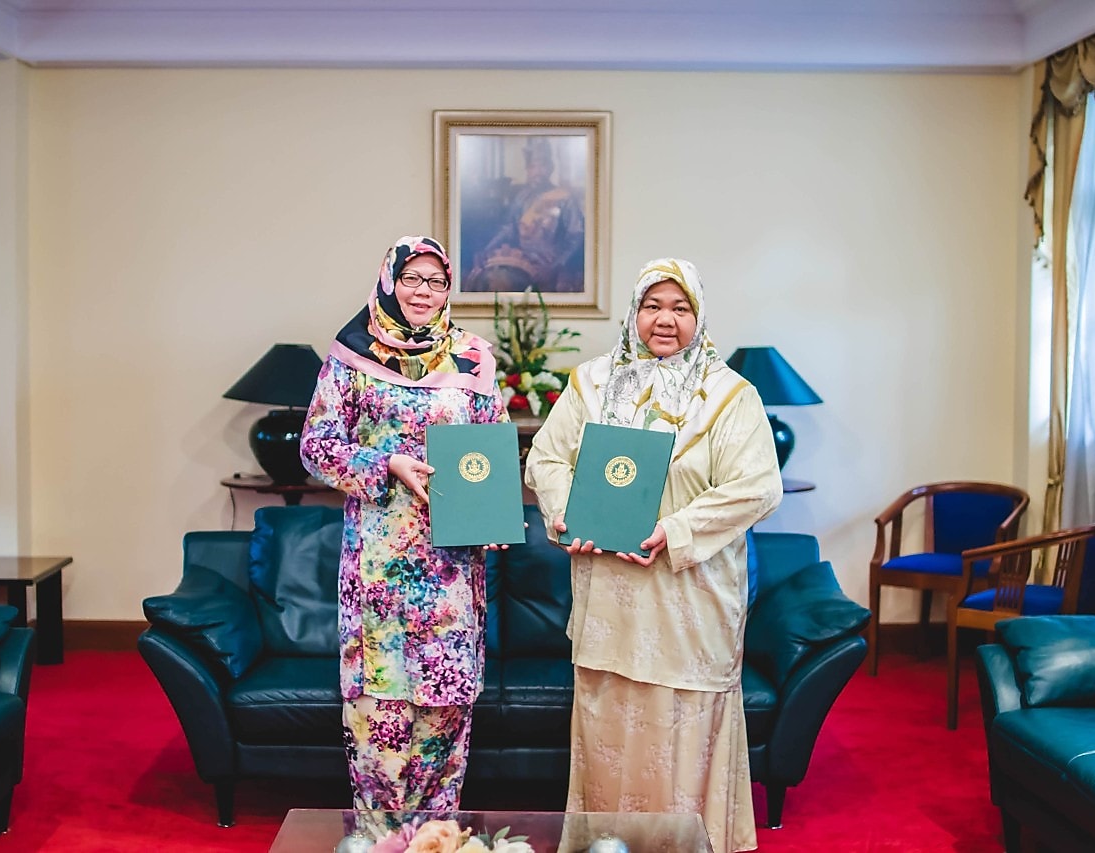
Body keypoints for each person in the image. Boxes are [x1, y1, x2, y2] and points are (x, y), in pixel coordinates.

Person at [524, 257, 783, 853]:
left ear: (699, 315)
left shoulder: (730, 395)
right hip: (609, 606)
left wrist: (675, 530)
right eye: (652, 306)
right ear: (634, 312)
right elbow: (545, 459)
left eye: (680, 307)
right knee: (609, 738)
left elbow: (757, 487)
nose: (665, 320)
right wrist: (566, 513)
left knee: (683, 741)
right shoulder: (591, 383)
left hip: (689, 606)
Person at [299, 235, 509, 813]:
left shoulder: (473, 357)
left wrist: (494, 510)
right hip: (379, 566)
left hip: (451, 570)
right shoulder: (351, 356)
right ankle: (382, 840)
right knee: (380, 717)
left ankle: (436, 837)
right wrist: (385, 463)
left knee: (446, 709)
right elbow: (316, 445)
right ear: (389, 282)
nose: (423, 291)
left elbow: (492, 446)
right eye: (411, 278)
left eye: (435, 281)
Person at [465, 137, 586, 294]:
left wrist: (556, 265)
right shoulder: (522, 197)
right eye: (533, 166)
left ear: (550, 167)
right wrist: (487, 249)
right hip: (522, 261)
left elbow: (576, 236)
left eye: (542, 165)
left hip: (550, 264)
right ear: (527, 169)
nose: (538, 172)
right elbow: (508, 227)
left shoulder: (565, 198)